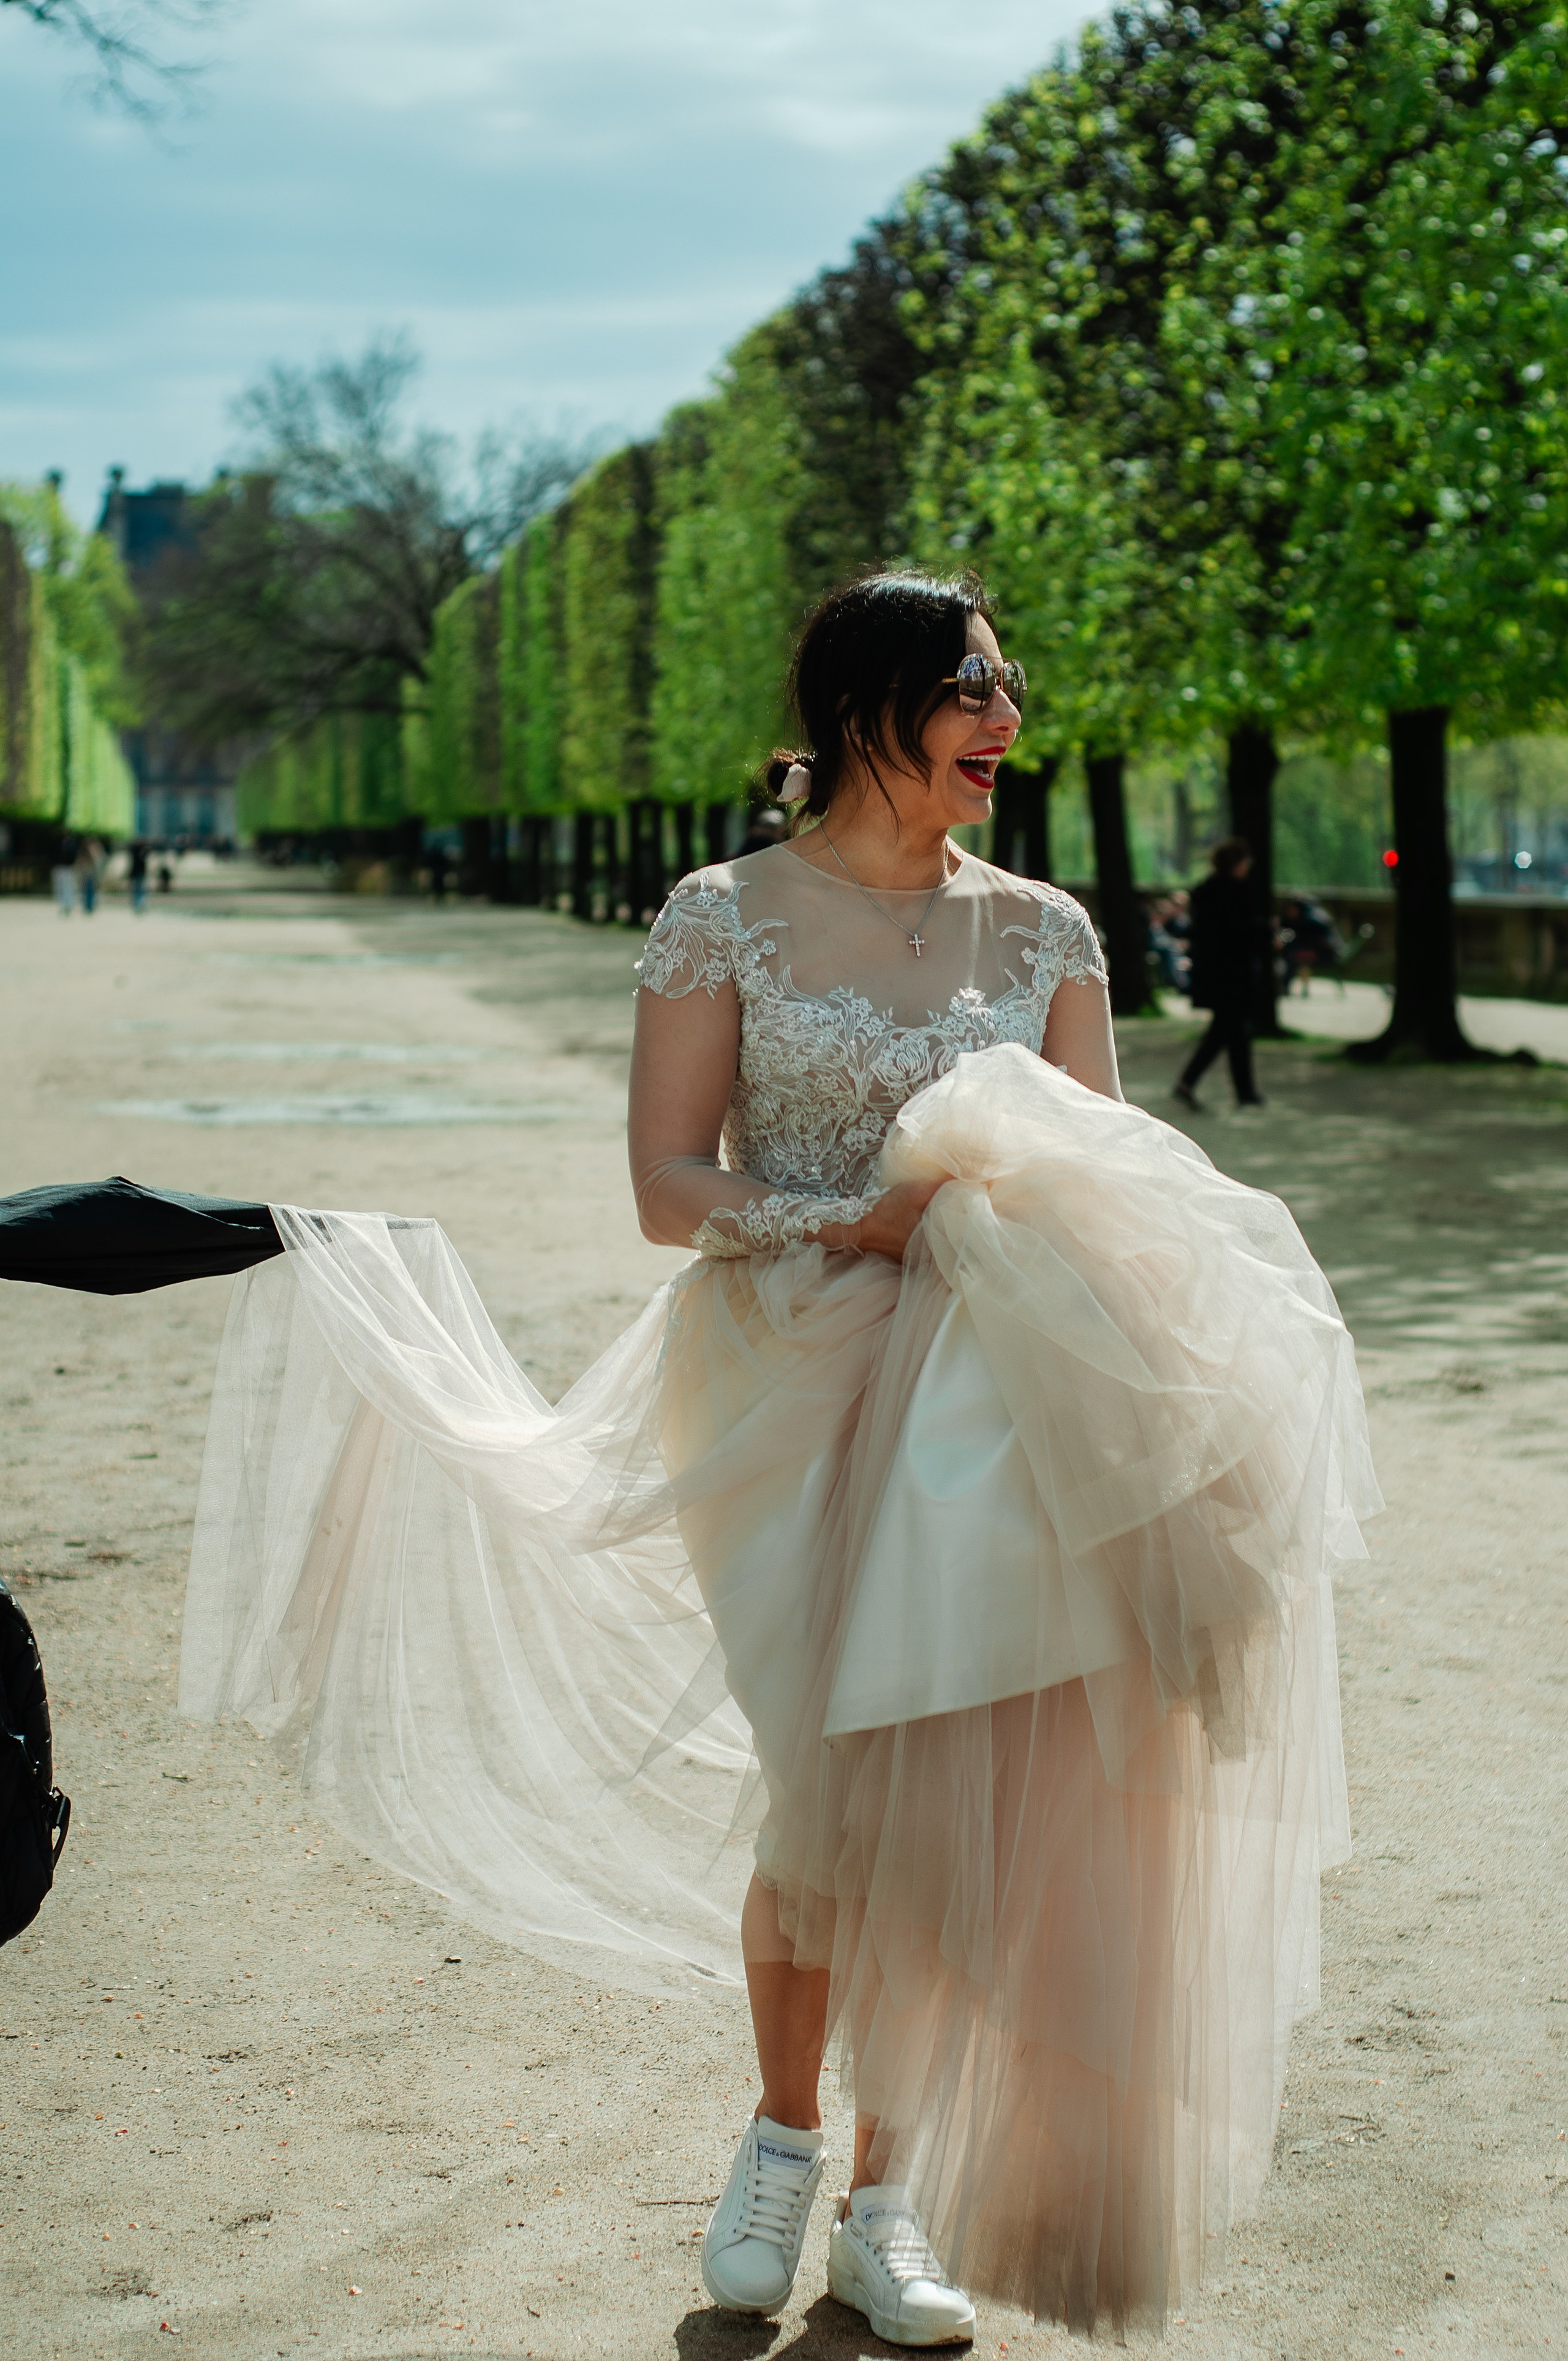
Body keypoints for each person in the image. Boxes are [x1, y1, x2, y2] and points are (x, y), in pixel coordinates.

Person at [179, 573, 1376, 2339]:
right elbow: (669, 1183)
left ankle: (892, 2197)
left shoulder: (1049, 930)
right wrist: (863, 1223)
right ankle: (783, 2133)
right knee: (830, 1776)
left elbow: (1112, 1187)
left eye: (1011, 685)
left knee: (962, 1779)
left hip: (1001, 1411)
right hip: (784, 1374)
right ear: (864, 703)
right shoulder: (719, 912)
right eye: (974, 684)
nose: (1009, 720)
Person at [1172, 837, 1268, 1111]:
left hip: (1215, 974)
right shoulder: (1235, 893)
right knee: (1226, 1032)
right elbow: (1240, 934)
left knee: (1233, 1032)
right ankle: (1190, 1083)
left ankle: (1243, 1091)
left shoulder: (1206, 892)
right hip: (1233, 975)